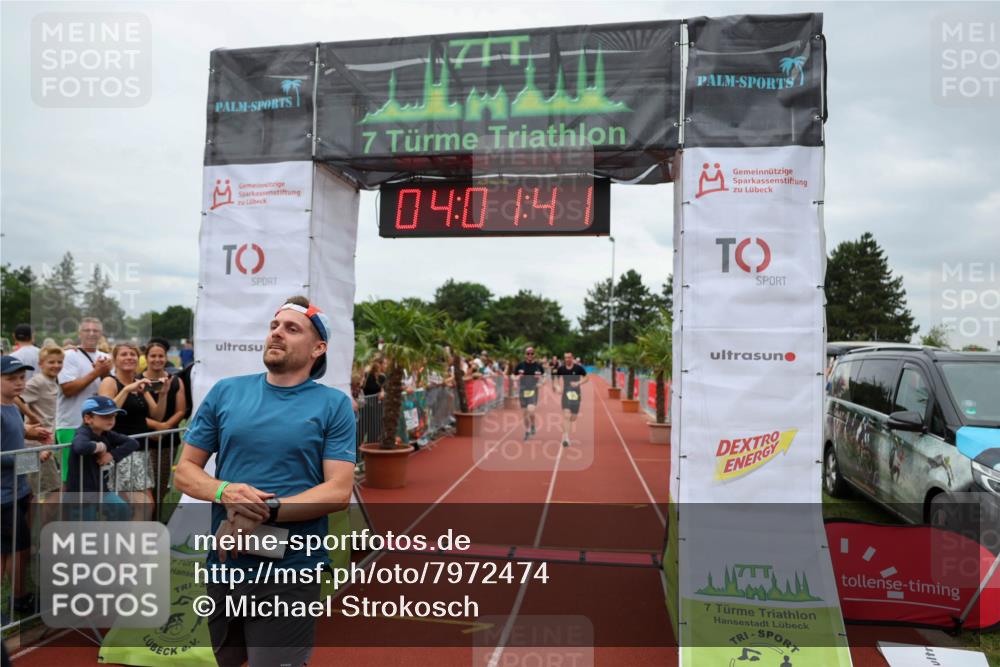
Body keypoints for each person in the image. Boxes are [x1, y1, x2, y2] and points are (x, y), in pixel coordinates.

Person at [174, 296, 356, 667]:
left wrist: (261, 512)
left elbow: (338, 490)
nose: (277, 333)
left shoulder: (333, 405)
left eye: (292, 329)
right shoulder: (227, 391)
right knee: (224, 661)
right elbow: (185, 471)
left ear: (318, 348)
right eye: (274, 326)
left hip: (291, 570)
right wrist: (225, 491)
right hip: (225, 564)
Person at [1, 356, 52, 617]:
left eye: (22, 378)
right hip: (4, 496)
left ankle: (19, 597)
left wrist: (32, 431)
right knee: (13, 550)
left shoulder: (12, 406)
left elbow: (15, 434)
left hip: (18, 490)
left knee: (16, 549)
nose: (19, 383)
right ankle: (17, 598)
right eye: (11, 379)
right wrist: (35, 457)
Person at [98, 342, 169, 521]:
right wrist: (127, 390)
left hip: (141, 452)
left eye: (132, 354)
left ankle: (134, 543)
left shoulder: (139, 383)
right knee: (132, 505)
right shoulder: (110, 381)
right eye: (124, 354)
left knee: (143, 504)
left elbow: (157, 414)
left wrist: (163, 394)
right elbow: (105, 415)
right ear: (115, 359)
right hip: (120, 451)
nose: (129, 357)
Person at [56, 318, 112, 482]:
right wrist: (96, 372)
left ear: (101, 334)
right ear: (79, 334)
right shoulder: (69, 356)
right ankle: (69, 508)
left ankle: (92, 508)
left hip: (98, 427)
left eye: (95, 330)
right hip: (72, 424)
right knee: (71, 477)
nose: (91, 333)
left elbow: (111, 387)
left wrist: (105, 374)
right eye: (87, 330)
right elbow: (68, 389)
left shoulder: (106, 357)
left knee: (96, 476)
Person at [65, 395, 136, 521]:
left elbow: (133, 443)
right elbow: (80, 446)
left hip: (101, 490)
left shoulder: (107, 434)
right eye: (105, 416)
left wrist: (112, 455)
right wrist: (101, 446)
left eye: (113, 416)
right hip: (81, 495)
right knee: (86, 530)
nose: (111, 420)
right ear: (88, 418)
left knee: (122, 510)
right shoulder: (83, 432)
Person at [141, 338, 187, 512]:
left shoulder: (175, 381)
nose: (157, 360)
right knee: (143, 489)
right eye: (153, 356)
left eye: (161, 356)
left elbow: (180, 411)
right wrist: (155, 428)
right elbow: (137, 413)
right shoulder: (138, 381)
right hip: (142, 442)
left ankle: (156, 522)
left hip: (168, 442)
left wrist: (166, 427)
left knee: (160, 485)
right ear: (147, 357)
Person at [21, 345, 64, 502]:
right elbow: (16, 399)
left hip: (46, 444)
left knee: (35, 492)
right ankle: (40, 525)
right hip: (33, 446)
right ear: (41, 364)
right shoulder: (37, 382)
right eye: (51, 362)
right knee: (45, 492)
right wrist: (32, 418)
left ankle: (38, 523)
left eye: (59, 362)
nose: (56, 365)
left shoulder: (55, 381)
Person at [553, 351, 588, 448]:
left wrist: (578, 383)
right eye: (565, 358)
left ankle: (566, 432)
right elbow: (556, 379)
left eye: (569, 357)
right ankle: (566, 438)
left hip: (576, 395)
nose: (567, 359)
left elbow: (586, 378)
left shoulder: (578, 368)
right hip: (565, 395)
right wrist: (557, 386)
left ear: (572, 358)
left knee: (573, 417)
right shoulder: (561, 369)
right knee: (566, 415)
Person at [513, 346, 545, 440]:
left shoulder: (538, 366)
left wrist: (541, 382)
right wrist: (517, 378)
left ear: (534, 354)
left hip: (533, 390)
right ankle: (527, 430)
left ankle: (533, 425)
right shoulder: (520, 365)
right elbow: (513, 377)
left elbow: (544, 377)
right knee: (525, 413)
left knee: (531, 411)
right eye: (528, 353)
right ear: (525, 355)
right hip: (522, 390)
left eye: (532, 353)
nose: (530, 355)